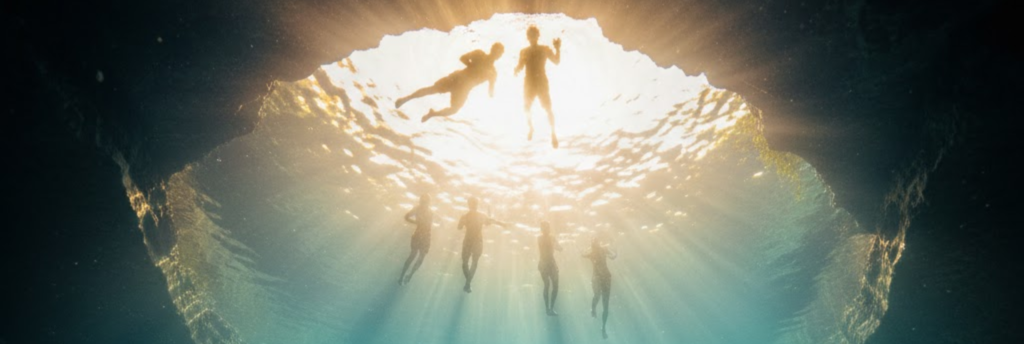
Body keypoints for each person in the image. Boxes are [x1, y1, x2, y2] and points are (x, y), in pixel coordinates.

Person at [395, 43, 505, 122]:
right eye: (496, 50)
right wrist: (472, 67)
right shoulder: (479, 54)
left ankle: (433, 114)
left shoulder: (492, 72)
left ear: (500, 56)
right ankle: (406, 98)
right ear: (492, 49)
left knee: (454, 110)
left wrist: (492, 93)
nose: (496, 54)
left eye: (499, 52)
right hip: (457, 78)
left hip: (463, 90)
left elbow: (491, 89)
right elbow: (462, 58)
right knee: (432, 89)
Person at [514, 25, 561, 148]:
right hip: (529, 82)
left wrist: (557, 48)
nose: (532, 38)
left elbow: (556, 61)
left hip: (540, 81)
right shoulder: (524, 52)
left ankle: (553, 133)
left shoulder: (544, 49)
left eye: (534, 35)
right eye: (530, 36)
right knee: (526, 108)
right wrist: (516, 69)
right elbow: (520, 65)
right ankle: (531, 128)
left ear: (538, 36)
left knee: (548, 108)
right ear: (528, 37)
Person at [457, 197, 509, 293]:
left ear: (470, 204)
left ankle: (468, 283)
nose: (473, 205)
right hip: (475, 240)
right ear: (473, 204)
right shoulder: (475, 216)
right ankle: (468, 283)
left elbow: (459, 228)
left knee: (468, 262)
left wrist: (502, 224)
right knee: (470, 262)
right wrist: (502, 224)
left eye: (473, 203)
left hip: (472, 240)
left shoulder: (467, 216)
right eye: (473, 203)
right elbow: (491, 221)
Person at [584, 236, 617, 339]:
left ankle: (603, 328)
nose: (596, 245)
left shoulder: (601, 250)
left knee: (604, 303)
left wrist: (615, 252)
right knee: (597, 296)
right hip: (598, 278)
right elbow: (613, 256)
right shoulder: (593, 252)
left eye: (596, 243)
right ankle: (593, 309)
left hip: (605, 277)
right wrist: (615, 253)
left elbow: (613, 256)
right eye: (594, 244)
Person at [399, 194, 433, 285]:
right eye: (423, 201)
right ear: (420, 201)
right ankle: (402, 276)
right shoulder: (418, 209)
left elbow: (430, 225)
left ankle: (409, 275)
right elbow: (406, 216)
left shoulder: (430, 211)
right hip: (419, 234)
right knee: (413, 255)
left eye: (426, 202)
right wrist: (415, 222)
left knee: (420, 256)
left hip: (426, 236)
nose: (424, 203)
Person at [537, 221, 562, 315]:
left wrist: (559, 247)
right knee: (547, 285)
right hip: (545, 263)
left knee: (555, 286)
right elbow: (552, 246)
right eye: (544, 227)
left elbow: (558, 247)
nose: (546, 229)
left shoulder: (551, 237)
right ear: (541, 229)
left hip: (550, 263)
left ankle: (551, 308)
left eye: (547, 227)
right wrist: (558, 246)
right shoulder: (540, 238)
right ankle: (548, 309)